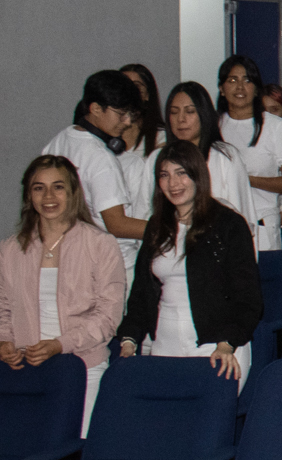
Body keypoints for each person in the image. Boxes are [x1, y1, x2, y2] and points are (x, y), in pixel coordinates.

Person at [115, 138, 261, 386]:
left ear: (198, 175)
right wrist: (129, 341)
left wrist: (226, 344)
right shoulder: (156, 226)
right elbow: (141, 294)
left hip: (218, 347)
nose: (173, 183)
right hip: (164, 344)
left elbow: (249, 299)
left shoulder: (229, 225)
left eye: (181, 173)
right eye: (164, 175)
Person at [1, 156, 125, 434]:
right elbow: (2, 307)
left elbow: (108, 316)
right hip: (26, 369)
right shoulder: (9, 250)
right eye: (38, 188)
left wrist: (60, 344)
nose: (48, 196)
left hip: (84, 366)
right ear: (28, 195)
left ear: (72, 193)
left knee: (72, 452)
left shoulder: (101, 245)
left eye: (58, 187)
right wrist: (4, 341)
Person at [42, 70, 148, 275]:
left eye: (130, 114)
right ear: (96, 109)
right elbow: (117, 224)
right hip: (113, 266)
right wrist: (168, 229)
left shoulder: (58, 141)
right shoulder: (101, 158)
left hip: (70, 260)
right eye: (121, 114)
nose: (127, 122)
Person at [142, 81, 257, 235]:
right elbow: (144, 212)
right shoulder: (157, 158)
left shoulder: (224, 156)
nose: (181, 119)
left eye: (189, 112)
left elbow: (242, 215)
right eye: (174, 112)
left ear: (203, 114)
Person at [217, 57, 282, 251]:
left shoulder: (276, 127)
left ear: (257, 88)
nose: (240, 87)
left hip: (262, 223)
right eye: (232, 80)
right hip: (219, 226)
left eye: (247, 80)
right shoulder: (213, 127)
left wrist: (246, 179)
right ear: (221, 89)